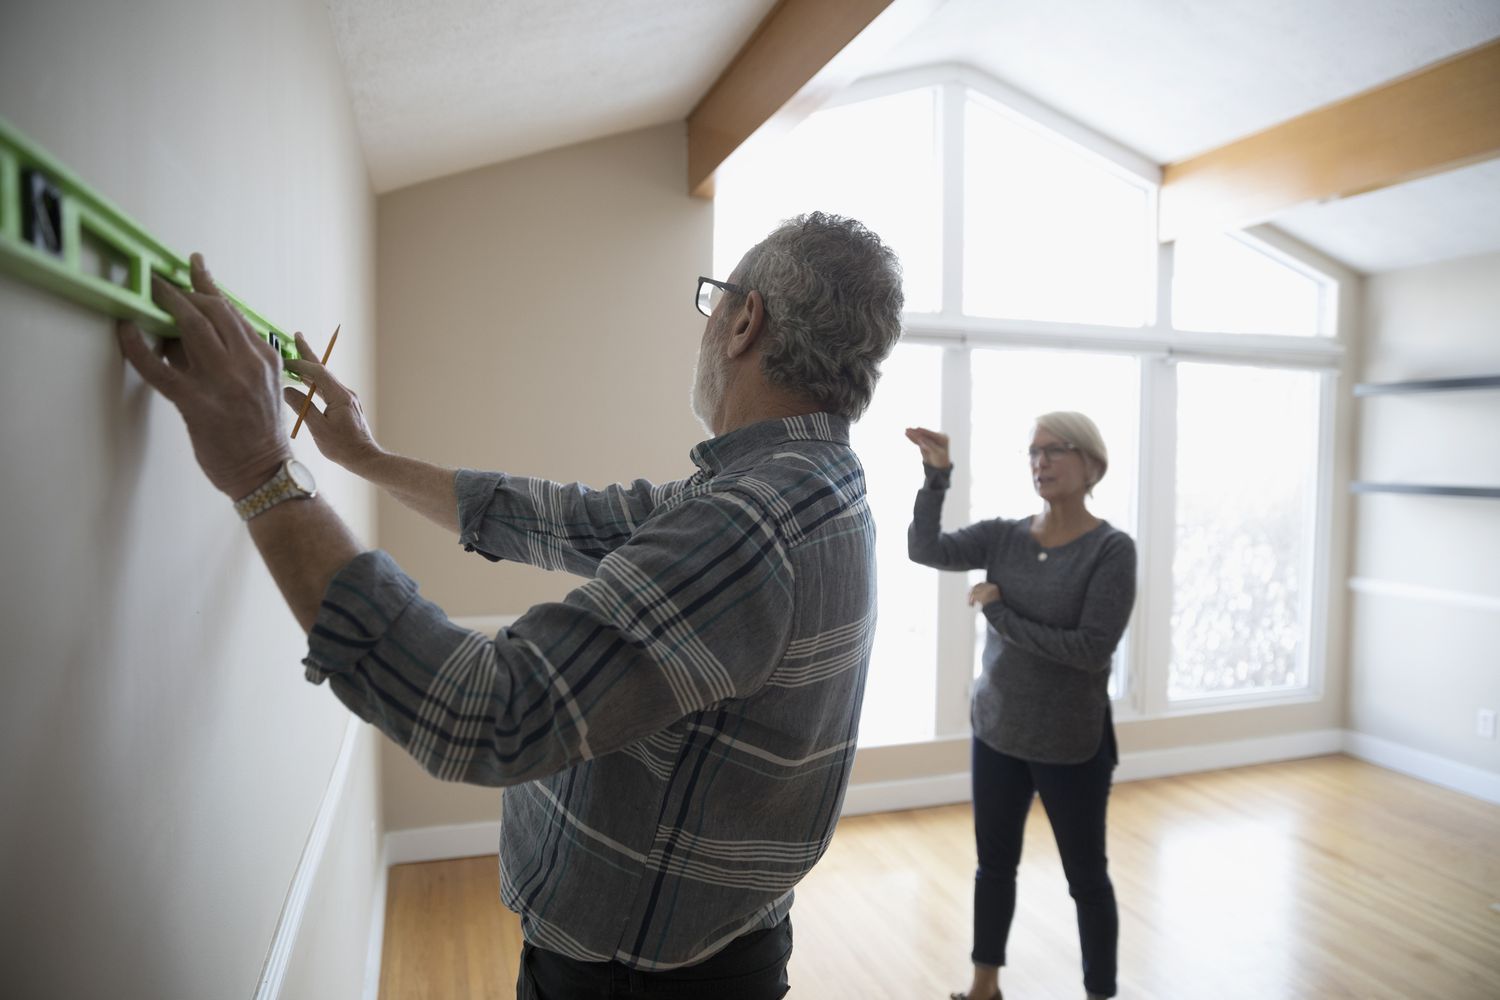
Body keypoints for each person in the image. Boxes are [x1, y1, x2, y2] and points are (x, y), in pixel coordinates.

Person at [115, 211, 904, 999]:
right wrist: (368, 458)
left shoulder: (751, 523)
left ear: (744, 321)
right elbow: (570, 519)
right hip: (713, 949)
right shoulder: (811, 489)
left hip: (635, 981)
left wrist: (262, 467)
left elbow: (488, 713)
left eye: (713, 303)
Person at [905, 414, 1136, 1000]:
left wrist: (999, 612)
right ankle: (984, 987)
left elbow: (1088, 651)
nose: (1041, 461)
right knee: (994, 866)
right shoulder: (1004, 537)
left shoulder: (1111, 550)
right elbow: (924, 548)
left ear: (1091, 464)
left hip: (1071, 742)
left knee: (1085, 878)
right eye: (1034, 452)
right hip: (998, 731)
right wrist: (937, 478)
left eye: (1056, 450)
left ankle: (1099, 993)